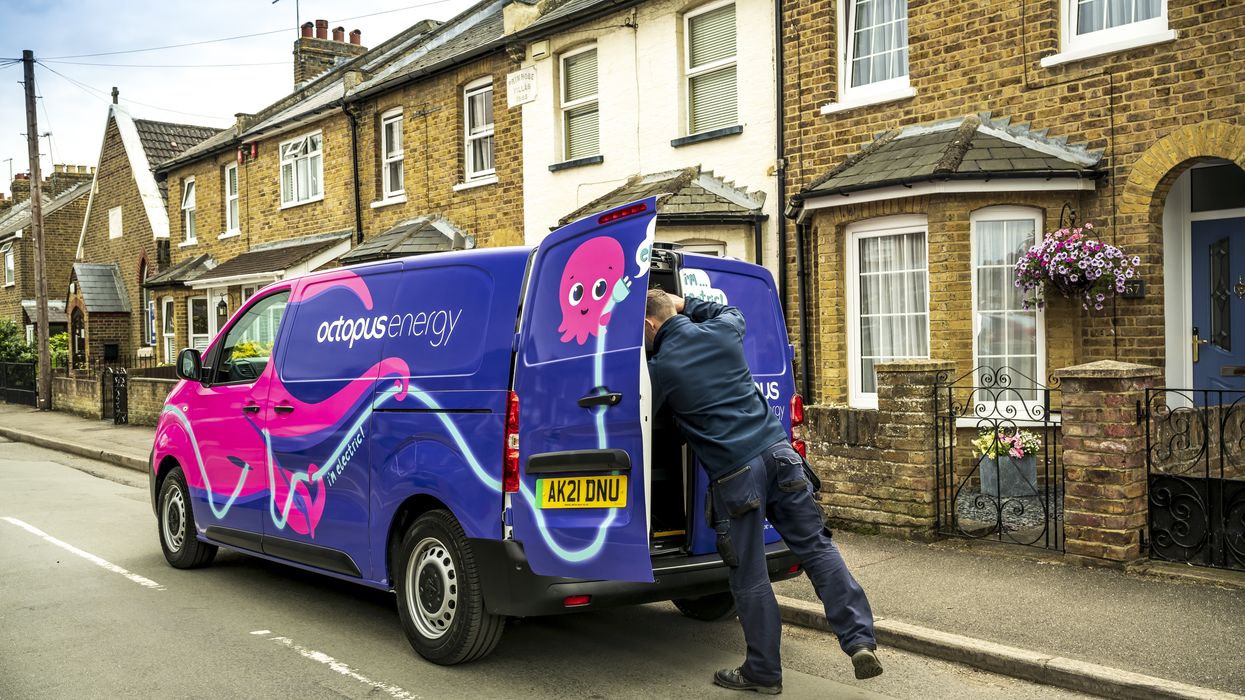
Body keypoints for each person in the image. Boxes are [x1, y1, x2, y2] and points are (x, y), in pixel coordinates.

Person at [645, 289, 881, 695]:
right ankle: (860, 640)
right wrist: (684, 303)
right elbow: (732, 309)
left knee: (749, 574)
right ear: (675, 311)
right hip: (781, 455)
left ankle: (763, 672)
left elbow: (648, 418)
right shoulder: (722, 332)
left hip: (738, 476)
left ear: (650, 326)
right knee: (818, 549)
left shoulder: (660, 368)